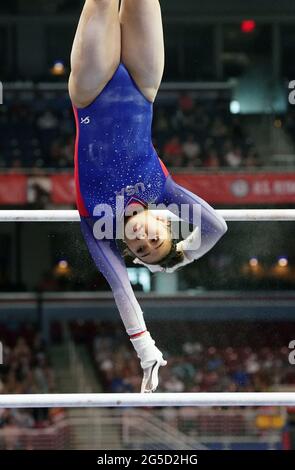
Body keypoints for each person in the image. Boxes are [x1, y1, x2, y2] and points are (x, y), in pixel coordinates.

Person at [69, 0, 228, 393]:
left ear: (128, 249)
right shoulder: (165, 191)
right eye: (155, 239)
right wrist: (171, 263)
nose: (143, 239)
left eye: (140, 250)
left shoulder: (96, 224)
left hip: (91, 92)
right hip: (144, 86)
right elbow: (216, 228)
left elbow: (123, 289)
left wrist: (145, 349)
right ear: (164, 220)